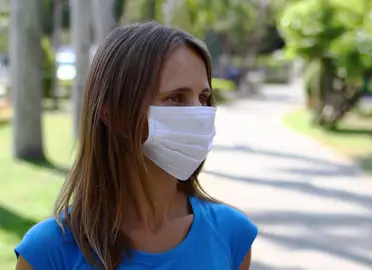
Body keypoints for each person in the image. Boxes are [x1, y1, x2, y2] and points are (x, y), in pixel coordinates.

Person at [14, 22, 257, 270]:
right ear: (114, 114)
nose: (199, 114)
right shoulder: (48, 251)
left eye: (204, 98)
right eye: (175, 98)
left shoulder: (231, 234)